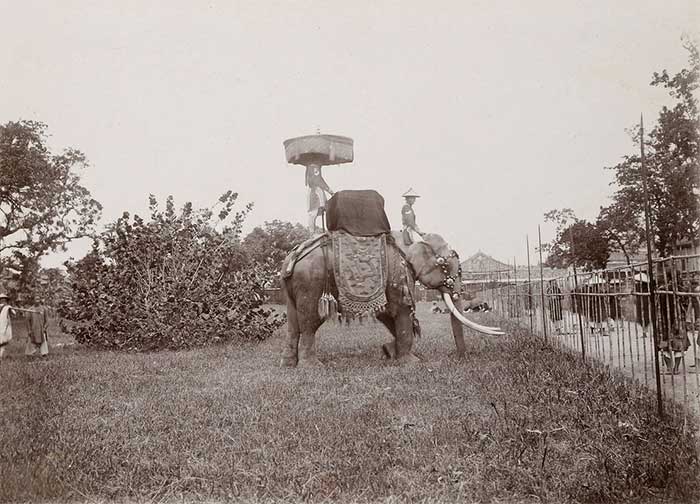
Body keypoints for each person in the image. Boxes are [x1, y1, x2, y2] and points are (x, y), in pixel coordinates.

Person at [306, 163, 334, 234]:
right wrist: (329, 191)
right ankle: (312, 233)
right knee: (313, 213)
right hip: (314, 193)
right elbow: (318, 181)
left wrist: (329, 190)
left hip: (319, 192)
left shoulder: (314, 169)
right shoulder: (312, 169)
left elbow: (320, 181)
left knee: (323, 209)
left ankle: (327, 230)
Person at [0, 293, 15, 359]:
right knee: (3, 341)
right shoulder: (8, 307)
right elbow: (14, 313)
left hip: (3, 325)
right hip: (4, 326)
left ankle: (0, 355)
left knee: (2, 342)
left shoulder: (7, 307)